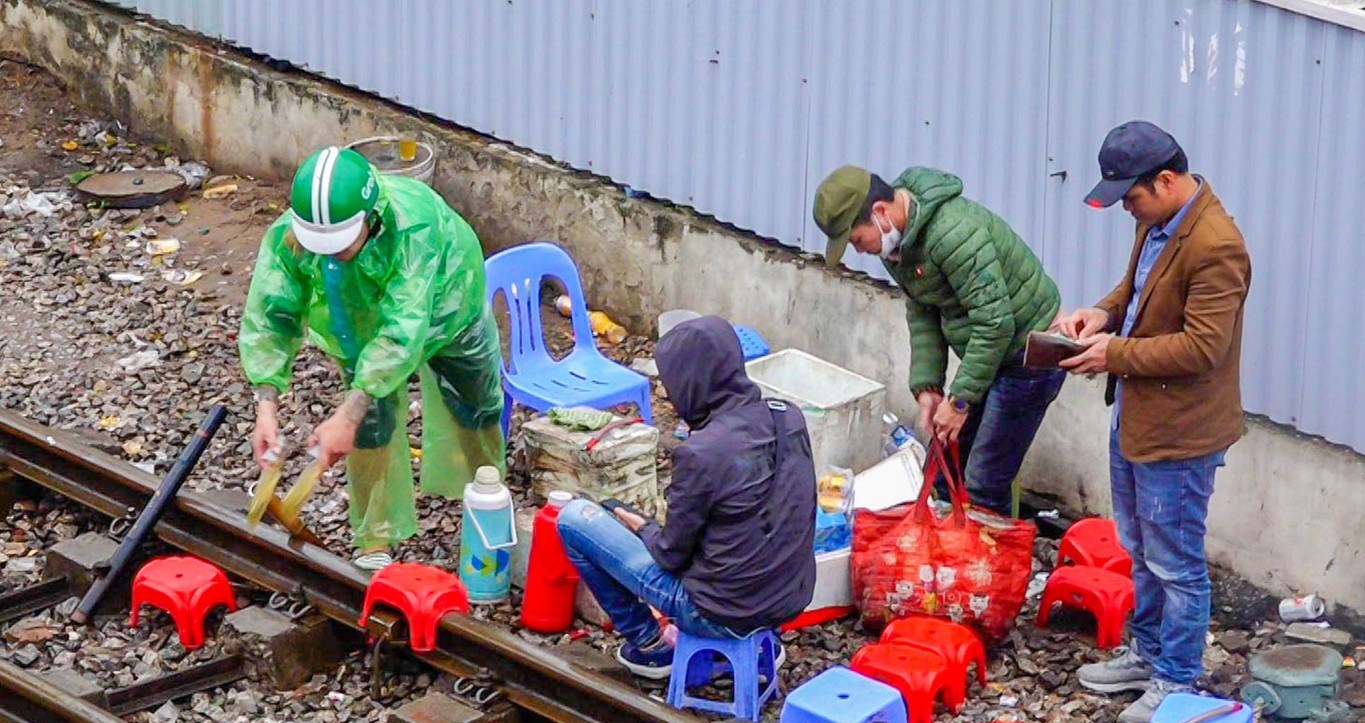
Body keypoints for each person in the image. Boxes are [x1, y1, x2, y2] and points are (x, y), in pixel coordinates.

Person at [1055, 121, 1251, 723]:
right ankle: (1147, 654)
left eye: (1131, 196)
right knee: (1139, 547)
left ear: (1165, 180)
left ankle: (1178, 675)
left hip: (1182, 434)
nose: (1126, 210)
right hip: (1138, 418)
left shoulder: (1218, 245)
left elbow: (1203, 349)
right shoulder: (1157, 220)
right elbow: (1137, 291)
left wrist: (1113, 353)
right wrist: (1102, 311)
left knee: (1176, 560)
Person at [239, 146, 505, 571]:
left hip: (450, 306)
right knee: (369, 427)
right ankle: (375, 535)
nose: (329, 256)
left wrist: (345, 415)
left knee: (473, 404)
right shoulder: (289, 234)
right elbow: (272, 316)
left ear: (369, 218)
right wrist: (266, 406)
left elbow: (403, 331)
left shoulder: (412, 227)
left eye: (339, 246)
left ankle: (485, 500)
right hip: (357, 328)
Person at [554, 316, 817, 679]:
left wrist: (641, 525)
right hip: (788, 599)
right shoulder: (788, 416)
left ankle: (650, 643)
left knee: (573, 519)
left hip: (717, 613)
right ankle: (761, 646)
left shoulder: (701, 452)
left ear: (691, 382)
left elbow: (670, 556)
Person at [812, 165, 1065, 515]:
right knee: (945, 464)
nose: (859, 250)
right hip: (992, 349)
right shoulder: (896, 244)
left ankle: (991, 563)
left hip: (1029, 353)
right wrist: (928, 387)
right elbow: (922, 310)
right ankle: (947, 551)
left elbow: (995, 324)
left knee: (984, 480)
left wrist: (959, 402)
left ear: (880, 213)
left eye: (856, 239)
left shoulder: (954, 233)